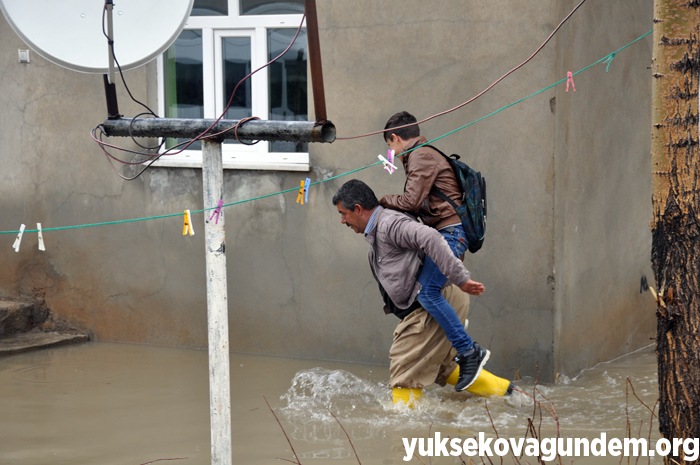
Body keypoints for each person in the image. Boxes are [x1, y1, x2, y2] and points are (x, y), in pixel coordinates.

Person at [332, 179, 489, 392]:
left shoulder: (389, 224)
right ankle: (510, 395)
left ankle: (402, 421)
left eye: (343, 213)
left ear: (358, 209)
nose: (342, 220)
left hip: (434, 300)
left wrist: (461, 278)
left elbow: (430, 237)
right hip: (435, 301)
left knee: (403, 366)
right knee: (443, 367)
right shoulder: (380, 230)